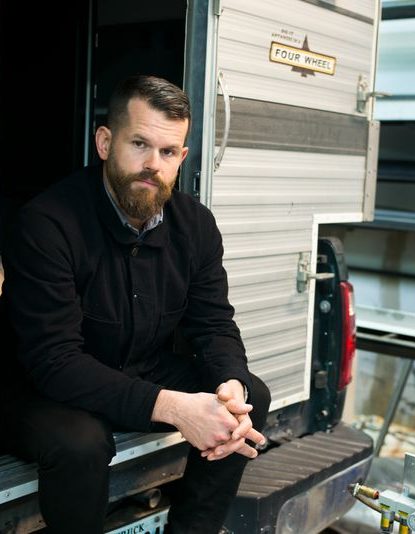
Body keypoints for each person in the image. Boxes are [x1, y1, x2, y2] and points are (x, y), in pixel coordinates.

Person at [0, 75, 270, 534]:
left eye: (168, 153)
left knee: (249, 395)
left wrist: (229, 388)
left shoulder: (196, 225)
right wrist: (177, 409)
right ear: (106, 142)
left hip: (134, 366)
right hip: (37, 383)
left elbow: (214, 325)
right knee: (82, 443)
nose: (152, 165)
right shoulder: (46, 224)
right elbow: (55, 361)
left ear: (182, 158)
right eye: (139, 144)